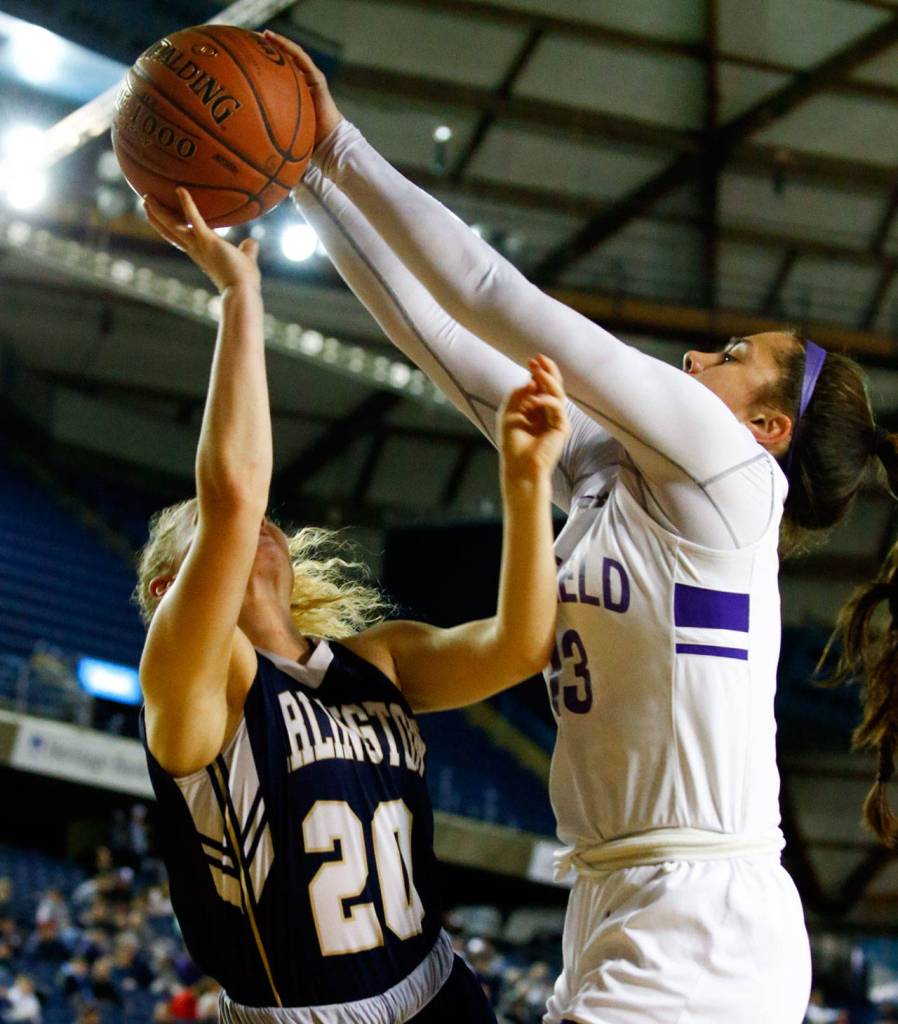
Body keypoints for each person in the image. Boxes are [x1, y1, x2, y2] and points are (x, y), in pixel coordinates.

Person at [262, 30, 898, 1024]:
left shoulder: (731, 470)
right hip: (617, 895)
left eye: (732, 352)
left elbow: (491, 295)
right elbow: (444, 343)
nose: (696, 358)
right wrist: (297, 176)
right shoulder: (614, 478)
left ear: (768, 428)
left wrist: (337, 142)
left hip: (701, 920)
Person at [134, 187, 569, 1024]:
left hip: (439, 989)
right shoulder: (199, 680)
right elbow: (230, 493)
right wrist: (239, 297)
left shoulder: (378, 660)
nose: (253, 522)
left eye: (268, 521)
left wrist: (526, 482)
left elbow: (520, 645)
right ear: (166, 591)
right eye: (205, 533)